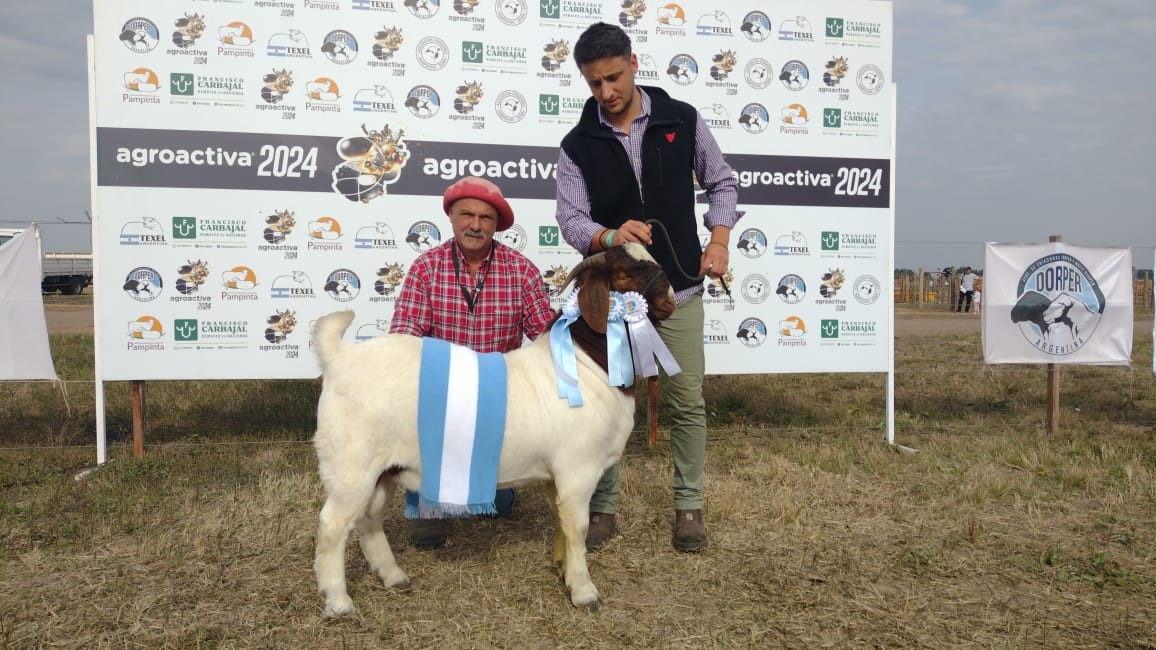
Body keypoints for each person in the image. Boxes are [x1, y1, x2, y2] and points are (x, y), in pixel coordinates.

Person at [553, 22, 741, 553]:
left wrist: (720, 239)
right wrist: (608, 234)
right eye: (594, 84)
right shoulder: (576, 143)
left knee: (685, 401)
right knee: (606, 404)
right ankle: (603, 508)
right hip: (610, 301)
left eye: (613, 78)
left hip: (679, 289)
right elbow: (570, 219)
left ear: (634, 64)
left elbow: (721, 180)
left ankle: (688, 507)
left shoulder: (683, 118)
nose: (606, 92)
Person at [390, 176, 555, 549]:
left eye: (486, 218)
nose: (476, 225)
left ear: (497, 225)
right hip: (440, 398)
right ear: (451, 216)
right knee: (424, 413)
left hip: (497, 401)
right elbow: (404, 339)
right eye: (467, 214)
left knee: (494, 506)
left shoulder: (522, 271)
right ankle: (427, 503)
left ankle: (489, 486)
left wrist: (578, 323)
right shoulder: (425, 269)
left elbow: (546, 338)